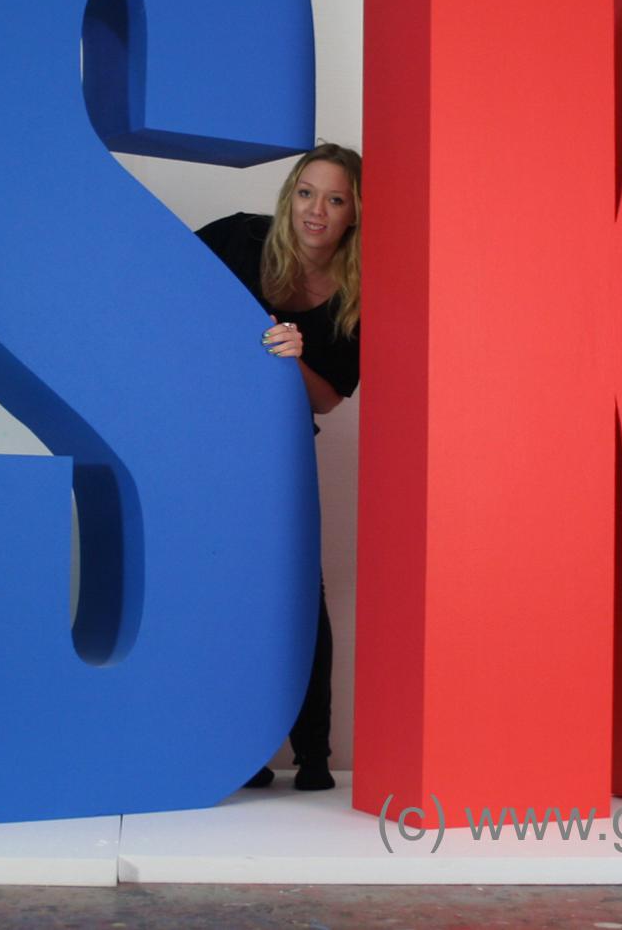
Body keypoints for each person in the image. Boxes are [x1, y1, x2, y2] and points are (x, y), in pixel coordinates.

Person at [196, 142, 360, 793]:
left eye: (336, 199)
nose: (316, 211)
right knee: (221, 591)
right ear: (288, 194)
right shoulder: (238, 239)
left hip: (278, 455)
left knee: (296, 595)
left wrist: (289, 357)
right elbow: (156, 286)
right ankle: (244, 749)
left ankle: (313, 756)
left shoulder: (356, 293)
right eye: (306, 193)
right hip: (203, 445)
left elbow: (328, 397)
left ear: (354, 215)